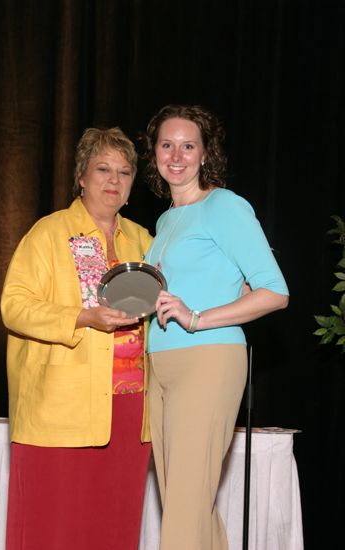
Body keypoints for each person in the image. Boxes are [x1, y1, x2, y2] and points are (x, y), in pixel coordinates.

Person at [143, 104, 289, 550]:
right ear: (154, 154)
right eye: (167, 144)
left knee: (186, 508)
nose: (177, 154)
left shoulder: (224, 205)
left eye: (189, 145)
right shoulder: (166, 219)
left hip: (207, 360)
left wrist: (198, 317)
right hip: (160, 365)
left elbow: (274, 291)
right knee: (186, 506)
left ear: (206, 154)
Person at [1, 127, 153, 550]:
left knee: (114, 528)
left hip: (129, 411)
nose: (113, 180)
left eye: (124, 172)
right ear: (81, 177)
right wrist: (82, 317)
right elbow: (13, 306)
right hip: (60, 411)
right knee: (54, 530)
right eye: (102, 169)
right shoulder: (48, 234)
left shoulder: (143, 240)